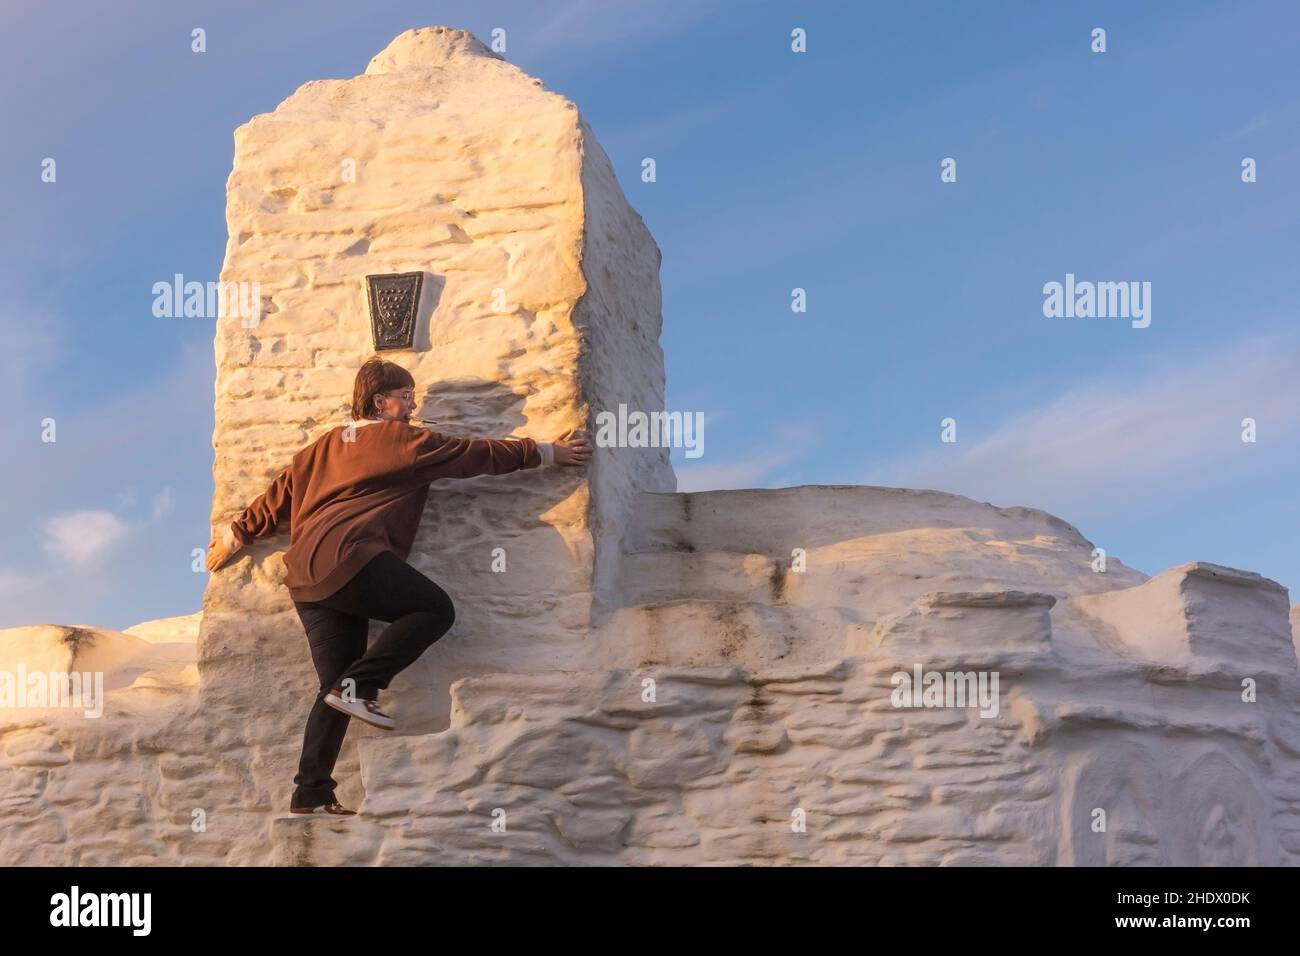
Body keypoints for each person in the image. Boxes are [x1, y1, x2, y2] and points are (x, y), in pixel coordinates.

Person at [205, 356, 591, 815]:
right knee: (434, 611)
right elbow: (471, 455)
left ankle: (310, 793)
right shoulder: (400, 440)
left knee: (334, 686)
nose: (412, 404)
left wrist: (234, 537)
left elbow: (277, 496)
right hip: (351, 558)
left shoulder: (320, 449)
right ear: (379, 402)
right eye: (406, 396)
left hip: (307, 579)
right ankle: (361, 687)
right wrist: (547, 452)